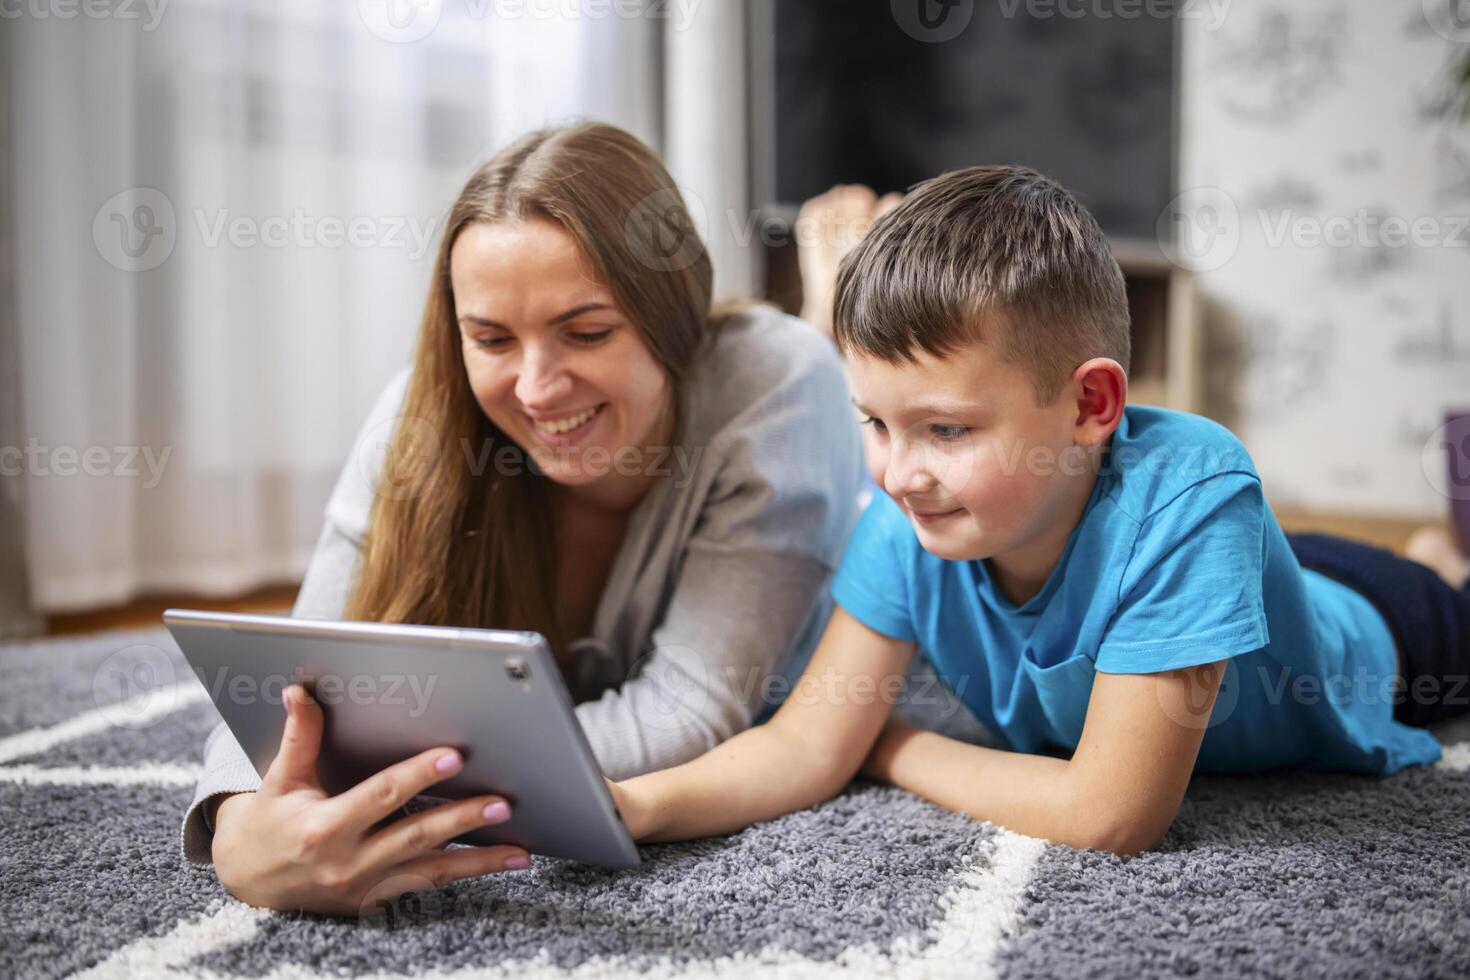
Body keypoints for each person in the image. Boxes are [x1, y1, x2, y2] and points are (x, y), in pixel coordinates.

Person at [600, 164, 1470, 858]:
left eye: (945, 429)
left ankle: (1440, 560)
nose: (899, 474)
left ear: (1092, 405)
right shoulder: (907, 519)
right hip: (1259, 571)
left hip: (1380, 624)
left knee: (1445, 592)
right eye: (874, 422)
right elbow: (801, 747)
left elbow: (1109, 814)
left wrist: (889, 746)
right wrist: (633, 804)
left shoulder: (1195, 493)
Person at [182, 122, 865, 915]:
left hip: (822, 473)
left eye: (587, 332)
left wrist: (387, 788)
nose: (537, 390)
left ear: (675, 316)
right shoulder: (422, 411)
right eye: (492, 338)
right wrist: (238, 827)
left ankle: (828, 304)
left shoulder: (773, 382)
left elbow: (693, 709)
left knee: (835, 386)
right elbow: (291, 683)